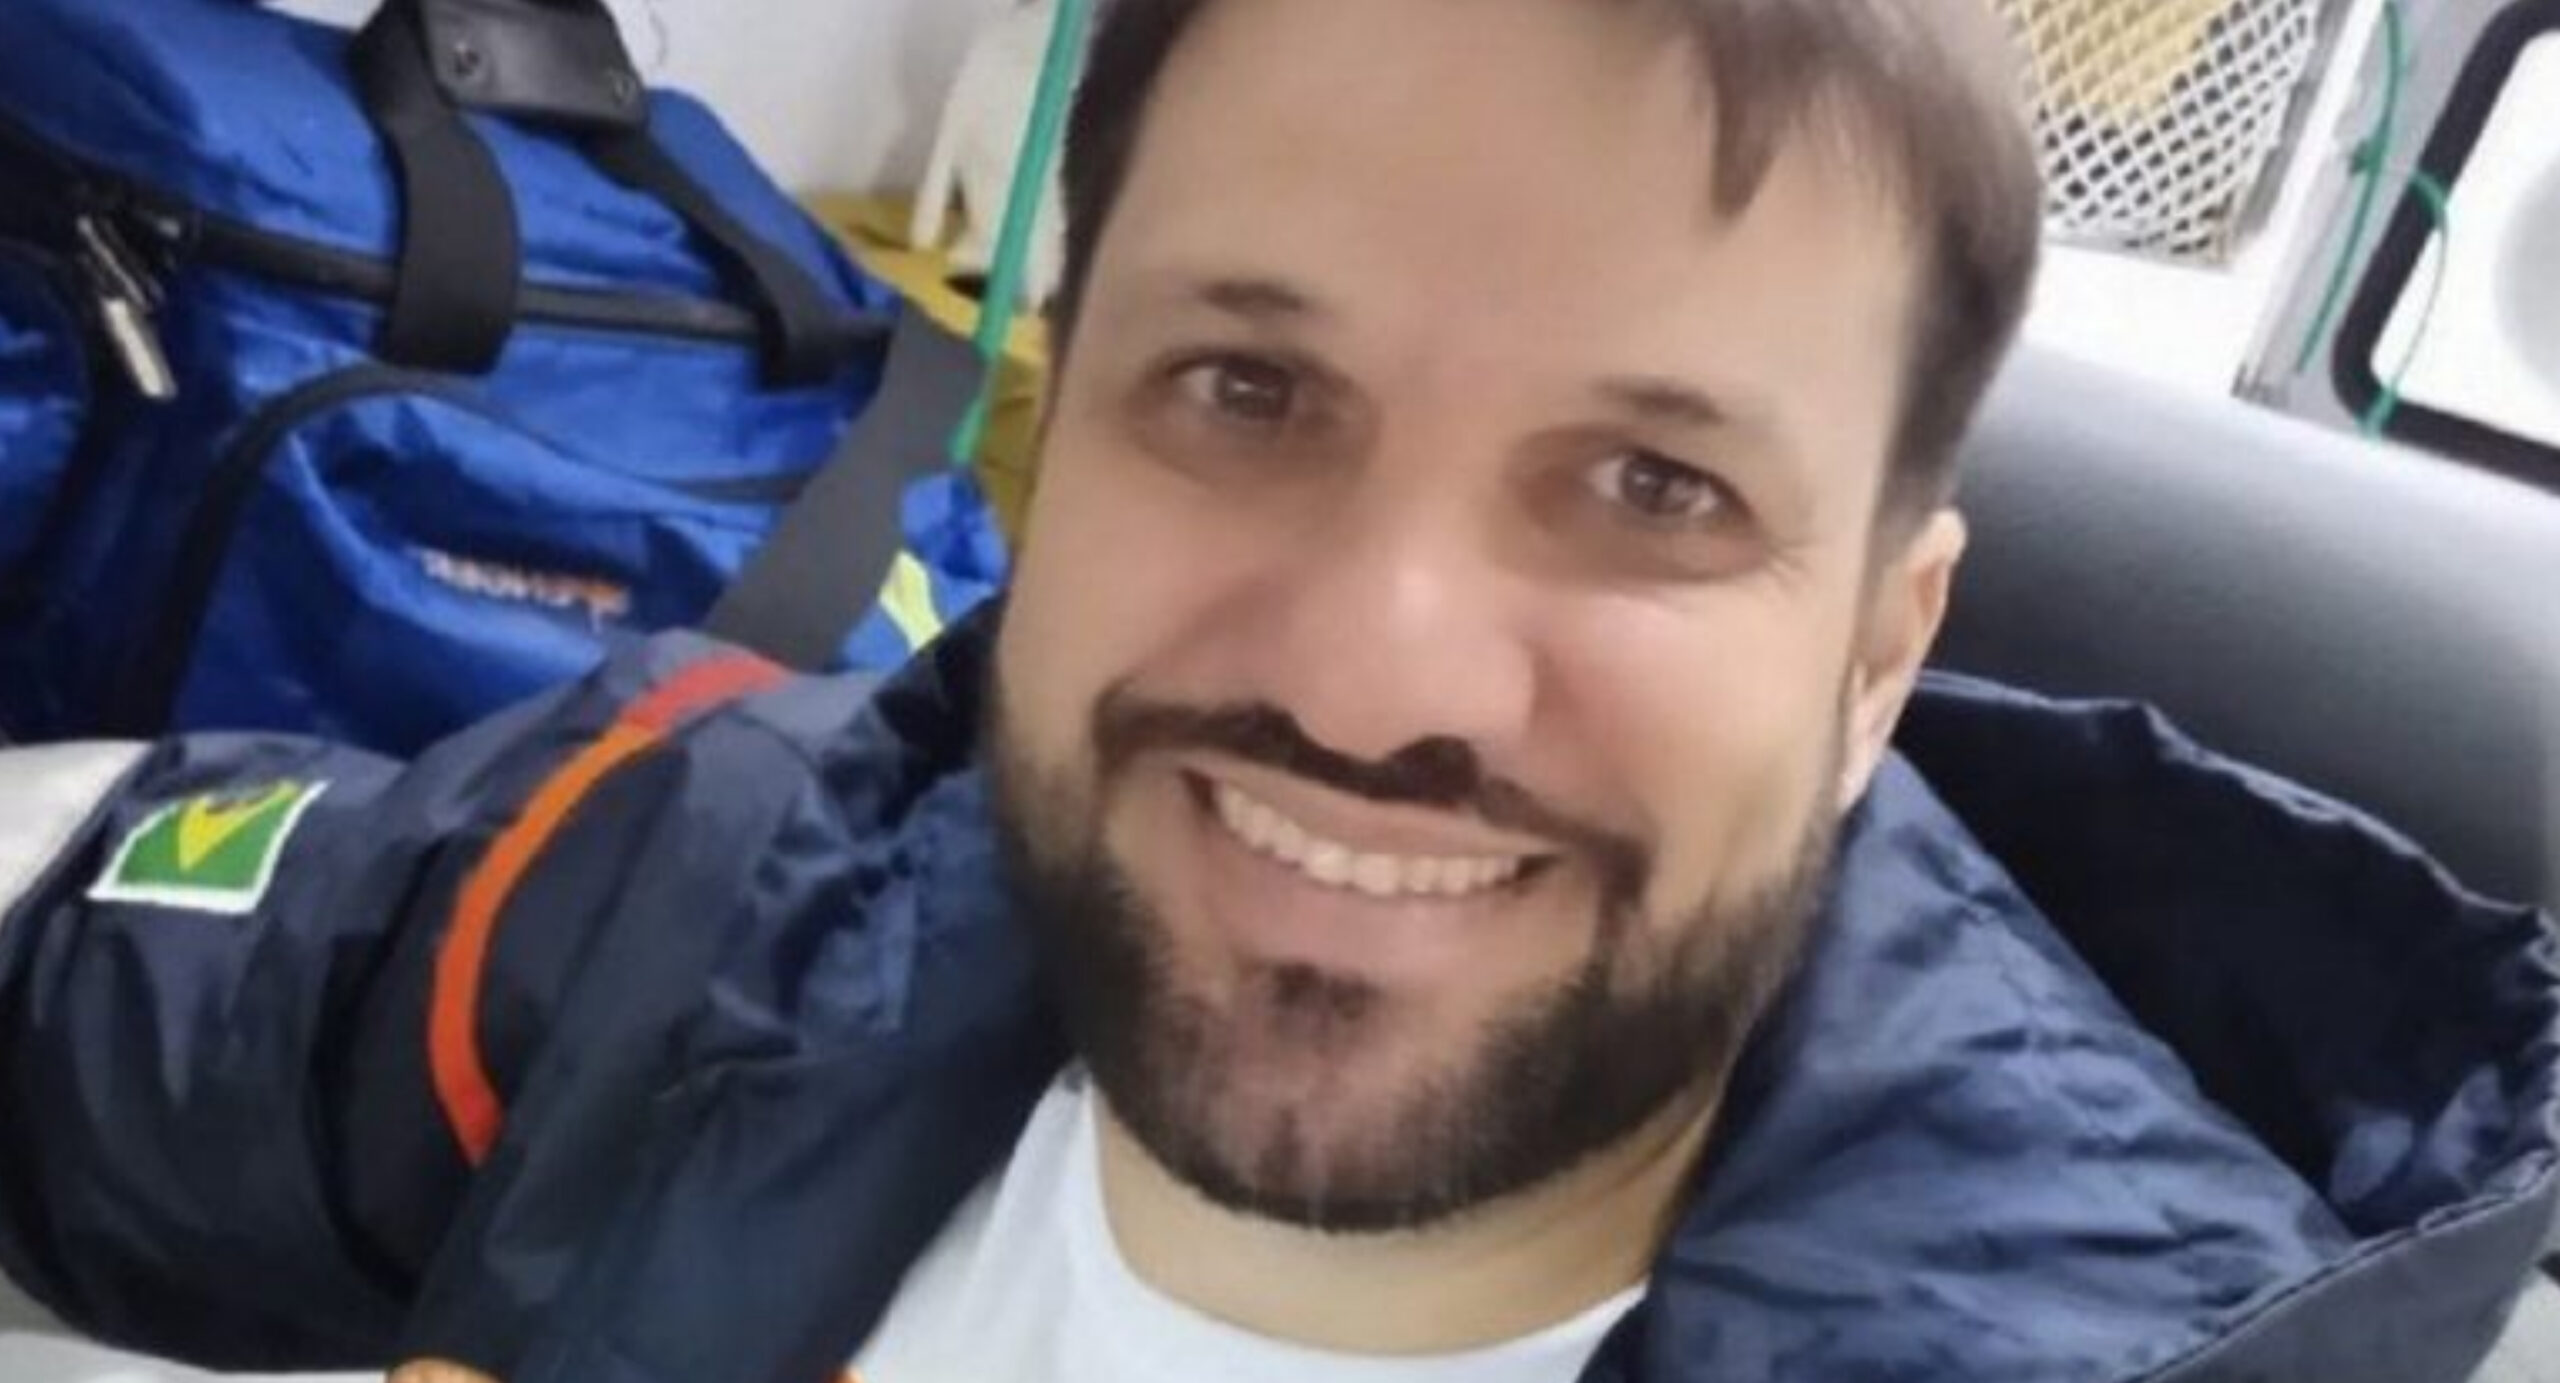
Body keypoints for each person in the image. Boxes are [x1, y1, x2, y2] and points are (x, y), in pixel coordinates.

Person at [1, 0, 2553, 1380]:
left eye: (1651, 483)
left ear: (1879, 651)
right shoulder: (692, 876)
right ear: (1050, 421)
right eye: (1245, 389)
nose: (1365, 667)